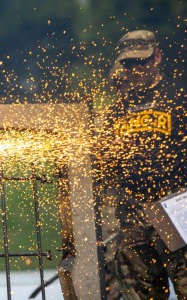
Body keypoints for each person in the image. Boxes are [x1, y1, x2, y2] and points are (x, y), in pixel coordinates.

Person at [99, 29, 187, 299]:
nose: (136, 69)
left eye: (141, 61)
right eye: (129, 63)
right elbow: (104, 163)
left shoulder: (179, 98)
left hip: (175, 206)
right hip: (134, 214)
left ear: (157, 57)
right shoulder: (117, 110)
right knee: (143, 293)